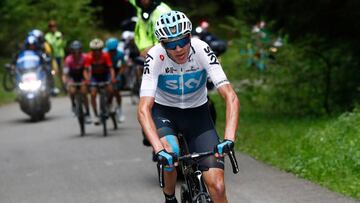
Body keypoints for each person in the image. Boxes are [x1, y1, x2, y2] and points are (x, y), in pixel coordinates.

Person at [137, 11, 240, 203]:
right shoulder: (155, 57)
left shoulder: (202, 49)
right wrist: (158, 149)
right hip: (165, 113)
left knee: (217, 187)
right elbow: (144, 109)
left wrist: (229, 138)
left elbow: (230, 96)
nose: (178, 49)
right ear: (161, 44)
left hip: (198, 115)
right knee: (171, 152)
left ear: (189, 36)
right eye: (170, 43)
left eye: (182, 41)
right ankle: (169, 198)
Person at [84, 38, 116, 125]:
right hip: (95, 76)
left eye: (98, 50)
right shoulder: (89, 57)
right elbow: (86, 70)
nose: (97, 52)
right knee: (93, 94)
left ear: (101, 50)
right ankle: (95, 115)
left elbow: (111, 69)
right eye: (94, 50)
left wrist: (112, 78)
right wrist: (87, 79)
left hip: (105, 75)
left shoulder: (105, 55)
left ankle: (110, 104)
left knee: (111, 90)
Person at [63, 40, 91, 123]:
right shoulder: (68, 60)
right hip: (73, 77)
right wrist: (66, 82)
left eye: (78, 51)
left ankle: (88, 113)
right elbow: (65, 73)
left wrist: (88, 80)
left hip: (82, 76)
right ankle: (73, 104)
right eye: (74, 51)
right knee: (71, 90)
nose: (76, 53)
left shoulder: (85, 57)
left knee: (84, 92)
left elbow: (88, 70)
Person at [104, 37, 126, 123]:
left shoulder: (120, 54)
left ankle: (120, 109)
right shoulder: (104, 53)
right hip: (107, 71)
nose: (111, 52)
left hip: (117, 71)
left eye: (113, 50)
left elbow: (123, 66)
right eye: (110, 50)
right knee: (108, 90)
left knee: (116, 90)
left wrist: (119, 76)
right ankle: (107, 104)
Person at [45, 20, 66, 92]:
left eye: (54, 26)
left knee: (62, 72)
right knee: (55, 72)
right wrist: (58, 40)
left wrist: (61, 40)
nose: (53, 28)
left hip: (60, 55)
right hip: (53, 56)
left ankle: (64, 86)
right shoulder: (47, 36)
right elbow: (51, 44)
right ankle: (55, 87)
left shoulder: (59, 34)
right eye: (51, 26)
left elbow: (62, 45)